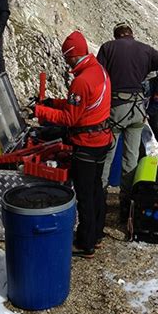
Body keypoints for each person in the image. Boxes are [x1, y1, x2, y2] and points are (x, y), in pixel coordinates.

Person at [35, 31, 112, 259]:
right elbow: (80, 106)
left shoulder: (80, 81)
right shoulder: (98, 70)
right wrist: (53, 103)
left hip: (86, 145)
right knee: (97, 190)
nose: (65, 60)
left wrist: (39, 110)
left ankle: (85, 243)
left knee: (85, 195)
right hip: (102, 140)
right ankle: (97, 235)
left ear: (71, 56)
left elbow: (70, 119)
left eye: (66, 57)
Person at [97, 22, 158, 221]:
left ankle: (99, 203)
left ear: (116, 36)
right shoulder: (146, 50)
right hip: (137, 111)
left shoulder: (108, 48)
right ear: (131, 35)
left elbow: (99, 78)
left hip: (116, 109)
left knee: (106, 156)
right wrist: (152, 82)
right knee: (131, 160)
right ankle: (126, 207)